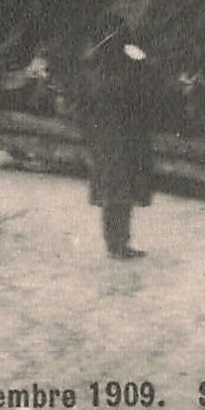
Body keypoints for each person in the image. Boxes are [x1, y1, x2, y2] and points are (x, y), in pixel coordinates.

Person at [77, 25, 157, 259]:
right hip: (111, 140)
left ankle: (120, 241)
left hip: (123, 138)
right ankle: (116, 243)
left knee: (124, 191)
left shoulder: (115, 64)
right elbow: (110, 94)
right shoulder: (102, 68)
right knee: (116, 192)